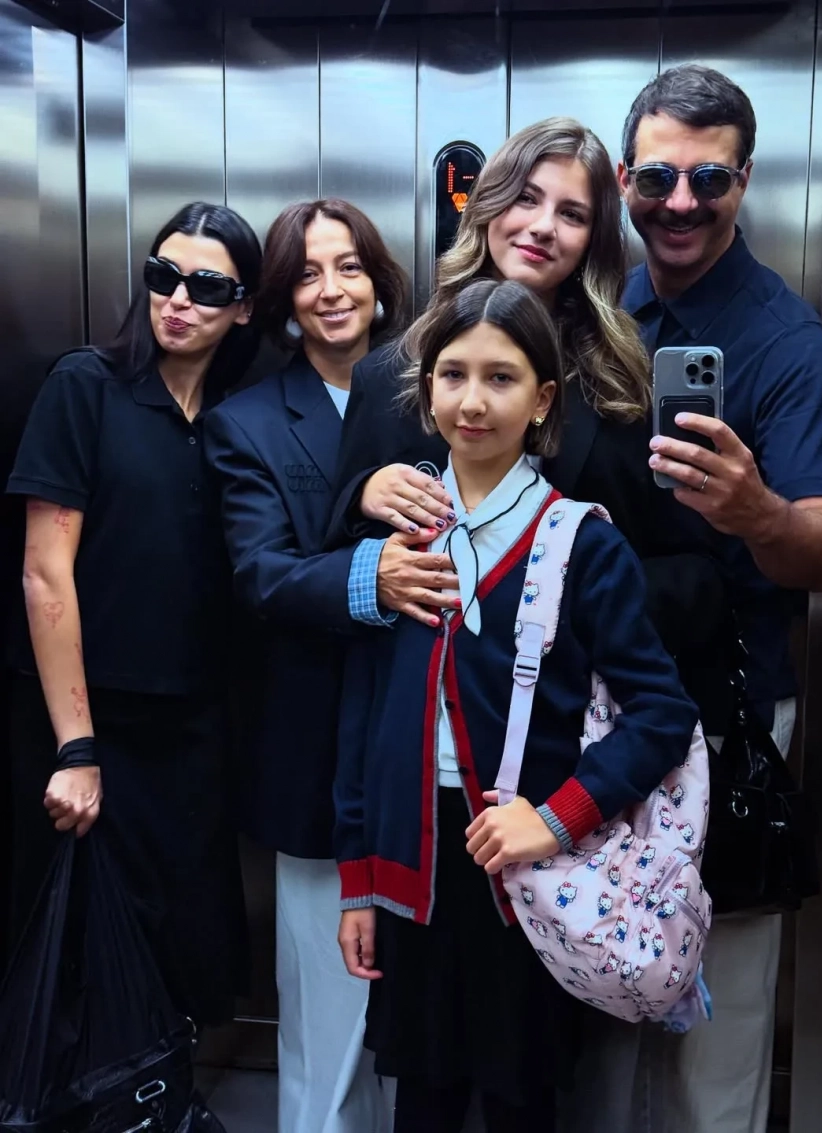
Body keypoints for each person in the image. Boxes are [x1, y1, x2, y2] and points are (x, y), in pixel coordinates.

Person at [334, 278, 699, 1133]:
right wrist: (361, 880)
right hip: (414, 866)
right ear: (427, 392)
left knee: (520, 1102)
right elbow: (363, 712)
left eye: (500, 378)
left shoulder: (581, 541)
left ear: (541, 401)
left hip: (532, 875)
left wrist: (557, 817)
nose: (473, 401)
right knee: (421, 1101)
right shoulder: (397, 544)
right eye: (453, 374)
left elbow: (661, 712)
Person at [615, 65, 822, 1133]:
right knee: (605, 991)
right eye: (657, 175)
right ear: (625, 176)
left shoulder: (783, 339)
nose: (680, 201)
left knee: (719, 1016)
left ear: (743, 182)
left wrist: (757, 510)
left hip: (728, 717)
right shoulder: (601, 308)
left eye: (708, 179)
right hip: (602, 709)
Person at [326, 116, 726, 698]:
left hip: (577, 711)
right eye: (526, 198)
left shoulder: (626, 385)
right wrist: (365, 502)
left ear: (592, 240)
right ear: (488, 205)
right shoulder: (390, 374)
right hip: (426, 706)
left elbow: (698, 577)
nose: (542, 227)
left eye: (573, 214)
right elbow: (335, 559)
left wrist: (573, 597)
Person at [5, 202, 262, 1026]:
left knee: (182, 954)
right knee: (84, 962)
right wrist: (76, 749)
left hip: (193, 730)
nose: (177, 300)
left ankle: (160, 1091)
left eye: (206, 286)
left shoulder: (233, 418)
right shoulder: (87, 385)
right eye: (163, 276)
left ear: (244, 308)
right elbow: (45, 571)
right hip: (93, 723)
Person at [204, 199, 406, 1133]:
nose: (333, 289)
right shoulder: (247, 422)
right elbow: (263, 574)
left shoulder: (436, 390)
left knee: (423, 1036)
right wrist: (375, 572)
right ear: (282, 297)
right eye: (309, 273)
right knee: (330, 1029)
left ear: (379, 279)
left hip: (435, 757)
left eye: (350, 266)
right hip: (317, 759)